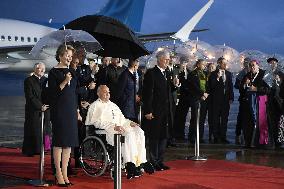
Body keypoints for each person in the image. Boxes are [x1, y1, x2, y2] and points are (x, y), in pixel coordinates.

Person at [85, 85, 154, 179]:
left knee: (139, 131)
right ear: (98, 93)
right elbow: (96, 122)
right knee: (128, 134)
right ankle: (129, 164)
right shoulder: (95, 105)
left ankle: (142, 161)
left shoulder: (113, 105)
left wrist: (130, 123)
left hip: (121, 128)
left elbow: (122, 119)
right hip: (107, 132)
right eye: (105, 92)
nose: (107, 94)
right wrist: (114, 126)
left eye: (108, 92)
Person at [47, 44, 79, 186]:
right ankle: (58, 173)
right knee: (59, 142)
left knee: (68, 144)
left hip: (71, 110)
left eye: (71, 56)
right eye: (67, 55)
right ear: (60, 55)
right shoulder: (53, 72)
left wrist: (77, 110)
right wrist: (65, 81)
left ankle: (65, 173)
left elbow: (74, 92)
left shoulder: (72, 71)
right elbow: (52, 94)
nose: (69, 57)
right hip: (59, 110)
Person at [142, 50, 179, 171]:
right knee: (154, 136)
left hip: (166, 110)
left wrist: (175, 85)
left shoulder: (167, 72)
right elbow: (147, 94)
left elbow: (168, 90)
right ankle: (153, 162)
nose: (168, 61)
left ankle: (160, 161)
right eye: (166, 59)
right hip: (155, 110)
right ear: (159, 59)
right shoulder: (151, 73)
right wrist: (148, 111)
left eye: (169, 60)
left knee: (164, 136)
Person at [240, 59, 270, 147]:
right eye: (250, 65)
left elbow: (268, 89)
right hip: (248, 102)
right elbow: (241, 88)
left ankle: (261, 143)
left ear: (258, 65)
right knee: (248, 122)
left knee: (261, 122)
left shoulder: (264, 74)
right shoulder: (247, 75)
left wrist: (257, 89)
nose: (252, 67)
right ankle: (248, 142)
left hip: (260, 102)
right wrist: (245, 84)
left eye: (253, 65)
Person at [22, 62, 49, 156]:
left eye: (43, 69)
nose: (42, 70)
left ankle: (45, 148)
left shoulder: (47, 80)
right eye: (40, 68)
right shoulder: (28, 80)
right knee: (32, 129)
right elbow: (30, 96)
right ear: (35, 69)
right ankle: (31, 150)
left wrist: (47, 105)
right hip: (33, 109)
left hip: (46, 109)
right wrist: (40, 106)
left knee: (46, 130)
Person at [207, 57, 234, 144]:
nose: (225, 65)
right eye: (223, 63)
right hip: (216, 99)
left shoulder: (229, 74)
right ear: (219, 63)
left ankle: (223, 137)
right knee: (215, 119)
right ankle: (216, 137)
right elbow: (211, 86)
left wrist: (231, 97)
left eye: (226, 63)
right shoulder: (213, 74)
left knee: (224, 119)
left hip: (225, 100)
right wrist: (217, 78)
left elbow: (230, 87)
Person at [186, 59, 209, 143]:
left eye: (205, 65)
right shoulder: (192, 74)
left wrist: (206, 94)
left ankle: (200, 136)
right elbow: (193, 86)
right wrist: (202, 93)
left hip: (204, 98)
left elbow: (208, 85)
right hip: (195, 98)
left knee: (202, 118)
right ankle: (192, 136)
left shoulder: (205, 74)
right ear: (198, 64)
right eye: (203, 64)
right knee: (195, 117)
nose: (204, 66)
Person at [234, 57, 251, 144]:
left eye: (248, 63)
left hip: (252, 98)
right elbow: (236, 85)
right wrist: (243, 84)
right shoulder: (241, 73)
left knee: (250, 118)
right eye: (245, 63)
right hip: (243, 98)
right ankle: (238, 135)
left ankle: (248, 136)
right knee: (241, 117)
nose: (247, 64)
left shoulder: (253, 72)